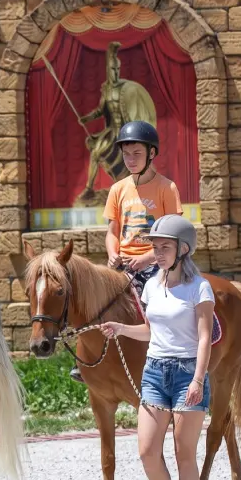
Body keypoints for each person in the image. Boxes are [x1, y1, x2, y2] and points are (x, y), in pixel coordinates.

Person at [99, 215, 213, 480]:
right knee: (148, 451)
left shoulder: (199, 288)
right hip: (155, 371)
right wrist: (121, 329)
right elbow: (151, 331)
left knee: (183, 453)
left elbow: (205, 338)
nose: (157, 253)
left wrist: (197, 379)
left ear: (183, 249)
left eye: (164, 247)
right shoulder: (152, 285)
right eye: (155, 247)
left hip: (187, 373)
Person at [71, 120, 183, 383]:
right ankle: (84, 360)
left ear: (151, 154)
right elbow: (112, 231)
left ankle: (171, 354)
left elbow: (173, 233)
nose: (130, 160)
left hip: (157, 262)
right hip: (122, 265)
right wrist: (112, 253)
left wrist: (147, 258)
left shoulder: (167, 188)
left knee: (161, 303)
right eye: (126, 154)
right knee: (89, 302)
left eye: (137, 154)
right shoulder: (117, 189)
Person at [76, 42, 157, 203]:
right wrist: (87, 119)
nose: (116, 73)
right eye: (113, 70)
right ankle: (89, 189)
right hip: (111, 131)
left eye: (118, 70)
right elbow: (100, 110)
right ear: (108, 70)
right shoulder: (106, 89)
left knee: (134, 159)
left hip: (126, 132)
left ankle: (141, 186)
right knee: (95, 153)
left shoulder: (125, 88)